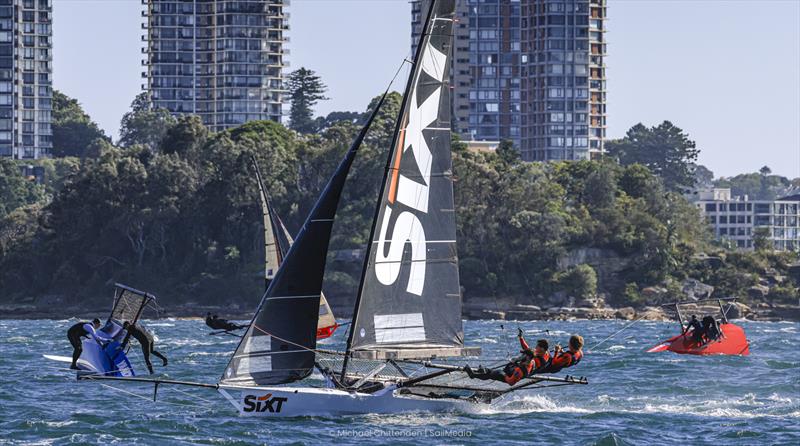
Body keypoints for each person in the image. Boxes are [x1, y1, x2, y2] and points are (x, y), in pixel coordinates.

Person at [464, 328, 535, 386]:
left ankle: (472, 375)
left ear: (527, 357)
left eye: (523, 355)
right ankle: (483, 371)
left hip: (505, 376)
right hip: (508, 371)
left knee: (490, 374)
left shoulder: (520, 371)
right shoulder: (531, 360)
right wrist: (521, 337)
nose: (521, 355)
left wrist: (503, 375)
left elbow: (511, 383)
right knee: (489, 372)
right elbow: (527, 349)